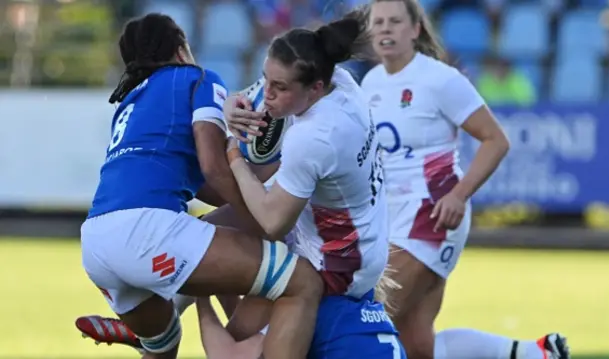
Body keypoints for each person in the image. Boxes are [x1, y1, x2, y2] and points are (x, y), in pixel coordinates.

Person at [76, 15, 407, 359]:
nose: (267, 93)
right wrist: (233, 104)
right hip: (326, 231)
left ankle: (160, 319)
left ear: (315, 87)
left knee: (237, 337)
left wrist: (233, 154)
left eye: (278, 88)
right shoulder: (337, 82)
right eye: (266, 80)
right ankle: (162, 317)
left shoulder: (315, 137)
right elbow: (248, 121)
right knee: (213, 239)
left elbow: (266, 217)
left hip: (335, 262)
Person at [360, 1, 570, 359]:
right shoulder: (370, 82)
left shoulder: (440, 79)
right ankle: (536, 354)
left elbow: (496, 140)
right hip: (390, 217)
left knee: (367, 319)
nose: (385, 29)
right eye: (378, 22)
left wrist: (459, 194)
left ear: (415, 29)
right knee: (415, 343)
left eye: (395, 21)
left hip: (433, 213)